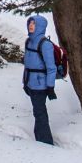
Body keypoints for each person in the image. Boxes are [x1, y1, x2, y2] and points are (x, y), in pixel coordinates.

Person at [22, 14, 58, 144]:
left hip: (40, 84)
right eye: (30, 23)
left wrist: (50, 87)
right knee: (37, 111)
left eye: (34, 24)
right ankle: (40, 139)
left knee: (39, 112)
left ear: (41, 26)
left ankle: (46, 142)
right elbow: (27, 65)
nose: (31, 26)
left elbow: (51, 68)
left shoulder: (45, 44)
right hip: (30, 83)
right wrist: (24, 82)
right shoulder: (28, 41)